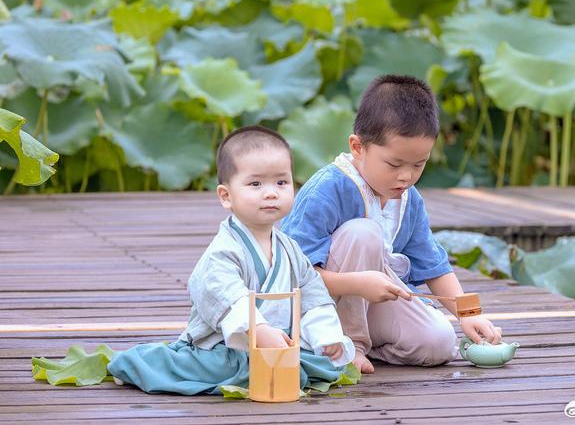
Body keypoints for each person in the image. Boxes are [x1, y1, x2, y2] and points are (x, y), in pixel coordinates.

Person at [107, 126, 355, 394]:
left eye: (281, 182)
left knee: (320, 362)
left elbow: (312, 292)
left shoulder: (289, 248)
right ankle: (139, 362)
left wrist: (325, 335)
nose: (271, 192)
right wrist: (258, 330)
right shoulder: (223, 251)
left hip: (278, 342)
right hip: (225, 345)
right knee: (221, 367)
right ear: (226, 196)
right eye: (256, 184)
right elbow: (224, 294)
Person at [281, 74, 503, 374]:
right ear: (358, 147)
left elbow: (433, 264)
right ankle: (346, 344)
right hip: (317, 305)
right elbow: (294, 275)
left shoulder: (408, 200)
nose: (406, 177)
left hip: (373, 297)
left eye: (419, 164)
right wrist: (356, 284)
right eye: (394, 164)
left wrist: (468, 314)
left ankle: (364, 344)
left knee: (438, 343)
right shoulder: (328, 189)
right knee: (363, 233)